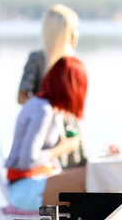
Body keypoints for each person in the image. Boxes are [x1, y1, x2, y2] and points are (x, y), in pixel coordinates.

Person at [5, 56, 87, 210]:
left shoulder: (48, 107)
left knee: (93, 175)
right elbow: (27, 160)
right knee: (90, 179)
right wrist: (63, 147)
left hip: (36, 181)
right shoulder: (43, 110)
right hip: (24, 188)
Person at [17, 4, 86, 168]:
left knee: (80, 172)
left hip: (70, 130)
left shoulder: (72, 65)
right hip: (46, 134)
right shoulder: (37, 60)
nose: (76, 35)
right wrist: (47, 108)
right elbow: (21, 97)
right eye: (72, 30)